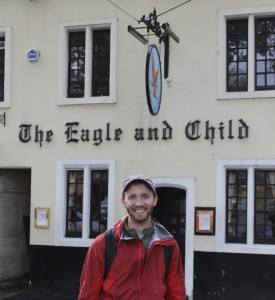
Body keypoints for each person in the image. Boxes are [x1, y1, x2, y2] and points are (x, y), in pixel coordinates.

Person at [78, 175, 186, 299]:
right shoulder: (103, 244)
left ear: (155, 200)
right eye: (132, 197)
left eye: (145, 196)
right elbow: (88, 294)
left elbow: (176, 293)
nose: (139, 203)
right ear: (124, 201)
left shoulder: (169, 244)